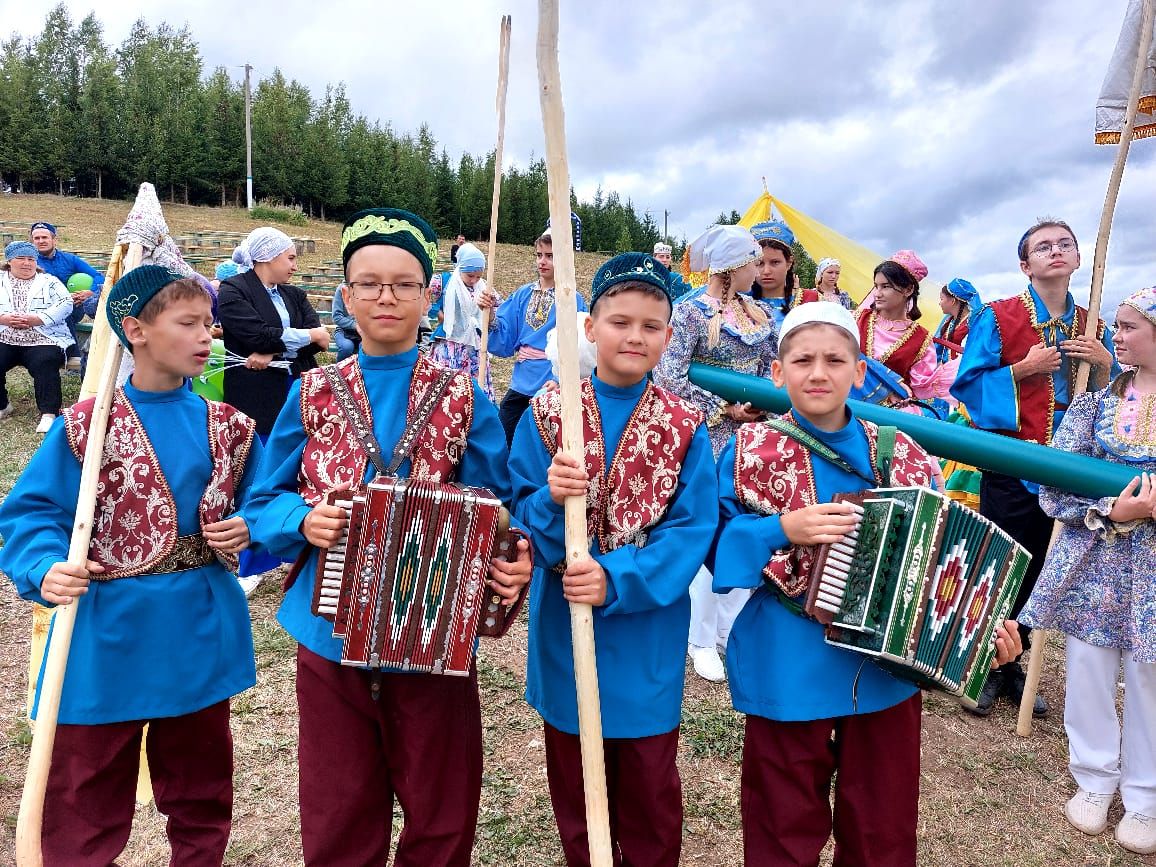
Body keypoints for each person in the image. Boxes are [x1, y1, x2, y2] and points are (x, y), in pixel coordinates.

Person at [243, 207, 532, 866]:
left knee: (441, 810)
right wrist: (301, 520)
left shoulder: (465, 393)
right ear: (345, 295)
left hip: (432, 631)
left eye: (403, 283)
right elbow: (263, 499)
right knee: (338, 807)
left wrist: (514, 558)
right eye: (369, 283)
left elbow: (500, 505)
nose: (385, 296)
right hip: (328, 634)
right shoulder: (312, 391)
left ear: (428, 294)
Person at [713, 301, 1024, 866]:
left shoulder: (904, 452)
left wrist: (986, 634)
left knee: (882, 826)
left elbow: (945, 556)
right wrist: (782, 527)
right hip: (788, 654)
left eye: (835, 359)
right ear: (777, 372)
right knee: (782, 822)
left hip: (887, 669)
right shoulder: (749, 448)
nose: (818, 372)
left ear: (859, 371)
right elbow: (715, 540)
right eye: (802, 359)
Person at [0, 264, 261, 866]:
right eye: (189, 322)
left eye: (210, 323)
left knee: (200, 792)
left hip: (198, 631)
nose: (207, 337)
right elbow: (30, 514)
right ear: (135, 329)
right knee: (84, 797)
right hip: (104, 635)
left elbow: (268, 509)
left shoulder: (231, 428)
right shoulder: (86, 427)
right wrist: (44, 565)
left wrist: (252, 528)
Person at [510, 252, 718, 866]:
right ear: (590, 327)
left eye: (651, 326)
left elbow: (691, 529)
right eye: (620, 321)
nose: (635, 336)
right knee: (576, 789)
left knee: (649, 788)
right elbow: (521, 513)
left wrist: (618, 577)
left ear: (668, 336)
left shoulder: (685, 426)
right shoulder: (549, 411)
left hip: (643, 632)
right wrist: (550, 496)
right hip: (564, 623)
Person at [952, 218, 1118, 717]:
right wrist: (1023, 369)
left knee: (1042, 569)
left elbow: (1110, 405)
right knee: (1002, 561)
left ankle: (1014, 659)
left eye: (1064, 244)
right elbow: (966, 385)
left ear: (1077, 258)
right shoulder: (998, 317)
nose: (1056, 251)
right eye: (1043, 247)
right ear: (1025, 264)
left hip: (1068, 471)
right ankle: (981, 662)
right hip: (1013, 461)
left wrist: (1106, 368)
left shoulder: (1094, 327)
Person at [1019, 286, 1156, 855]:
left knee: (1150, 675)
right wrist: (1110, 509)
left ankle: (1146, 797)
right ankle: (1094, 780)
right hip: (1093, 555)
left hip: (1151, 566)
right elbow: (1055, 476)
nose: (1115, 337)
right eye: (1116, 326)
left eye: (1127, 327)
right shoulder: (1095, 404)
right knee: (1090, 666)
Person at [654, 224, 777, 683]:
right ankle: (700, 637)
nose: (759, 270)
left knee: (746, 529)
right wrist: (723, 407)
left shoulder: (761, 315)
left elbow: (768, 372)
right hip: (707, 437)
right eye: (752, 261)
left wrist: (761, 406)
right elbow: (669, 377)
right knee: (710, 530)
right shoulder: (689, 313)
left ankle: (730, 628)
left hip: (751, 440)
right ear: (731, 265)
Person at [217, 227, 329, 437]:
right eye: (291, 258)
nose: (295, 267)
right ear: (269, 256)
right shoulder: (232, 290)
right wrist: (312, 335)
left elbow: (320, 344)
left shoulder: (294, 294)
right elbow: (258, 336)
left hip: (298, 384)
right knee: (260, 454)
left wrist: (274, 353)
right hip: (256, 393)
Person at [483, 229, 589, 445]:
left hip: (552, 380)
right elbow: (506, 335)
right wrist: (491, 315)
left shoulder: (572, 298)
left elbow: (580, 346)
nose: (543, 261)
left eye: (550, 256)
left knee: (542, 443)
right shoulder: (523, 294)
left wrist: (560, 380)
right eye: (539, 255)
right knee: (504, 436)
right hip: (522, 380)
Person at [856, 251, 952, 406]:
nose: (877, 294)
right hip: (846, 405)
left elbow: (920, 390)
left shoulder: (921, 339)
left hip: (889, 417)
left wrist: (906, 396)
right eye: (876, 286)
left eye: (885, 286)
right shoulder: (858, 319)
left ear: (908, 290)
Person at [0, 240, 74, 433]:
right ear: (9, 261)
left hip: (43, 337)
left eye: (31, 259)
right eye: (21, 258)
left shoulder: (49, 281)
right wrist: (4, 318)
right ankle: (2, 405)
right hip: (5, 336)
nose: (27, 263)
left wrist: (39, 319)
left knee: (45, 360)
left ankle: (49, 413)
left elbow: (66, 303)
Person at [29, 221, 104, 370]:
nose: (41, 241)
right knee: (62, 311)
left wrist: (90, 291)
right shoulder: (29, 261)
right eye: (36, 238)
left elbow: (98, 276)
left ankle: (76, 357)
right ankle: (74, 357)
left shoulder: (70, 259)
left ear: (54, 239)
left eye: (45, 237)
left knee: (66, 311)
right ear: (32, 241)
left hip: (73, 307)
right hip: (41, 307)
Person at [428, 242, 493, 397]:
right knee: (446, 389)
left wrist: (488, 310)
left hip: (473, 347)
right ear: (461, 268)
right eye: (470, 275)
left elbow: (491, 317)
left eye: (478, 276)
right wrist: (443, 316)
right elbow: (429, 303)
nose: (474, 280)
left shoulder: (483, 288)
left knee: (473, 391)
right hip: (448, 344)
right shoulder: (445, 281)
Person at [750, 220, 796, 330]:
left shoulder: (808, 302)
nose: (766, 271)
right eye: (759, 263)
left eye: (775, 262)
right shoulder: (739, 303)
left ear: (788, 263)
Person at [330, 283, 360, 361]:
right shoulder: (342, 288)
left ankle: (361, 371)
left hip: (364, 333)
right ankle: (340, 371)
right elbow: (337, 317)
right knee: (346, 347)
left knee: (366, 348)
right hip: (343, 330)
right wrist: (355, 325)